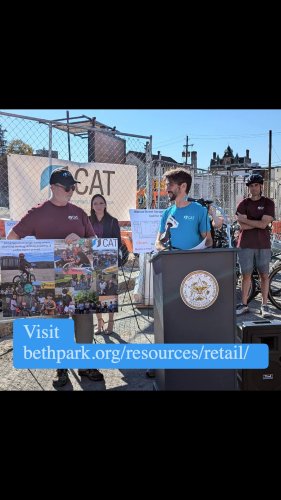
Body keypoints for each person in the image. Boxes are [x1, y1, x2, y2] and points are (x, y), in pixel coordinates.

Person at [7, 167, 104, 388]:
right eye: (66, 187)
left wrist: (79, 240)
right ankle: (61, 368)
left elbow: (94, 241)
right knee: (59, 324)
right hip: (51, 280)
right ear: (52, 188)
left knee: (84, 320)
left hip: (79, 278)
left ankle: (85, 365)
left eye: (73, 187)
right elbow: (13, 237)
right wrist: (30, 256)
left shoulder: (78, 212)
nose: (71, 190)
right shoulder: (37, 213)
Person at [235, 173, 275, 318]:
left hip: (263, 244)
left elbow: (264, 223)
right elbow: (243, 227)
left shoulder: (268, 203)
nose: (253, 188)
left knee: (264, 275)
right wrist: (259, 224)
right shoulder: (243, 204)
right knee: (246, 276)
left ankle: (264, 306)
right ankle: (244, 304)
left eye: (256, 185)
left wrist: (249, 221)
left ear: (261, 186)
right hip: (245, 244)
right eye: (251, 186)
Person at [155, 168, 212, 251]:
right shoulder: (166, 213)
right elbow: (158, 242)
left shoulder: (200, 210)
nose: (166, 189)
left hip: (194, 261)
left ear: (183, 186)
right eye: (166, 185)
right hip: (171, 260)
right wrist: (165, 251)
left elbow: (208, 241)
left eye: (170, 185)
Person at [89, 193, 121, 334]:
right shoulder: (88, 220)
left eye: (101, 203)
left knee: (109, 292)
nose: (98, 206)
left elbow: (118, 242)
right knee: (96, 293)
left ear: (105, 205)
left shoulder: (113, 221)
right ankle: (99, 322)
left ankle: (111, 322)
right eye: (95, 203)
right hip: (93, 261)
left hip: (108, 261)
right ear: (92, 206)